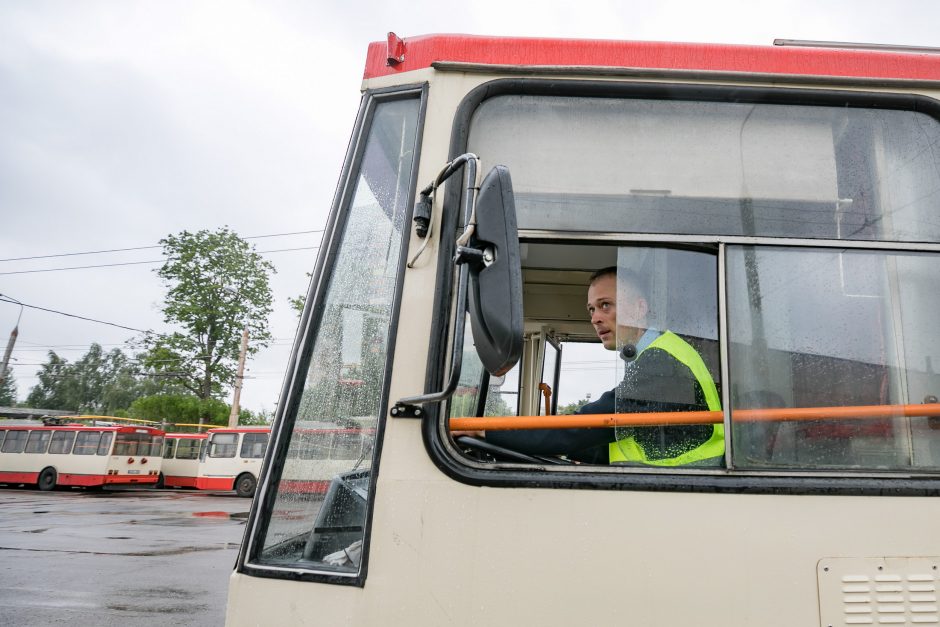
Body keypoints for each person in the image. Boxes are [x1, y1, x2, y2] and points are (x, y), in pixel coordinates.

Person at [485, 266, 723, 466]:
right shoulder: (657, 353)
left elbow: (584, 427)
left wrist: (487, 432)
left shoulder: (662, 362)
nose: (594, 318)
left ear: (640, 309)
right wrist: (567, 452)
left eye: (605, 305)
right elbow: (622, 438)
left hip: (690, 489)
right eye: (592, 309)